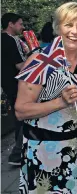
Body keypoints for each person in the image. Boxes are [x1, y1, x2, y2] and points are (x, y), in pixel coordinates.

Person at [15, 3, 77, 192]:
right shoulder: (40, 59)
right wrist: (60, 102)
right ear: (58, 27)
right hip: (47, 153)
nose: (74, 31)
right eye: (69, 25)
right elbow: (21, 110)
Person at [1, 13, 27, 166]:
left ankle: (19, 153)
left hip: (7, 84)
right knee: (25, 117)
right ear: (11, 24)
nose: (22, 27)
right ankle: (17, 154)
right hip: (17, 84)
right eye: (20, 24)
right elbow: (20, 66)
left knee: (19, 118)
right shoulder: (10, 41)